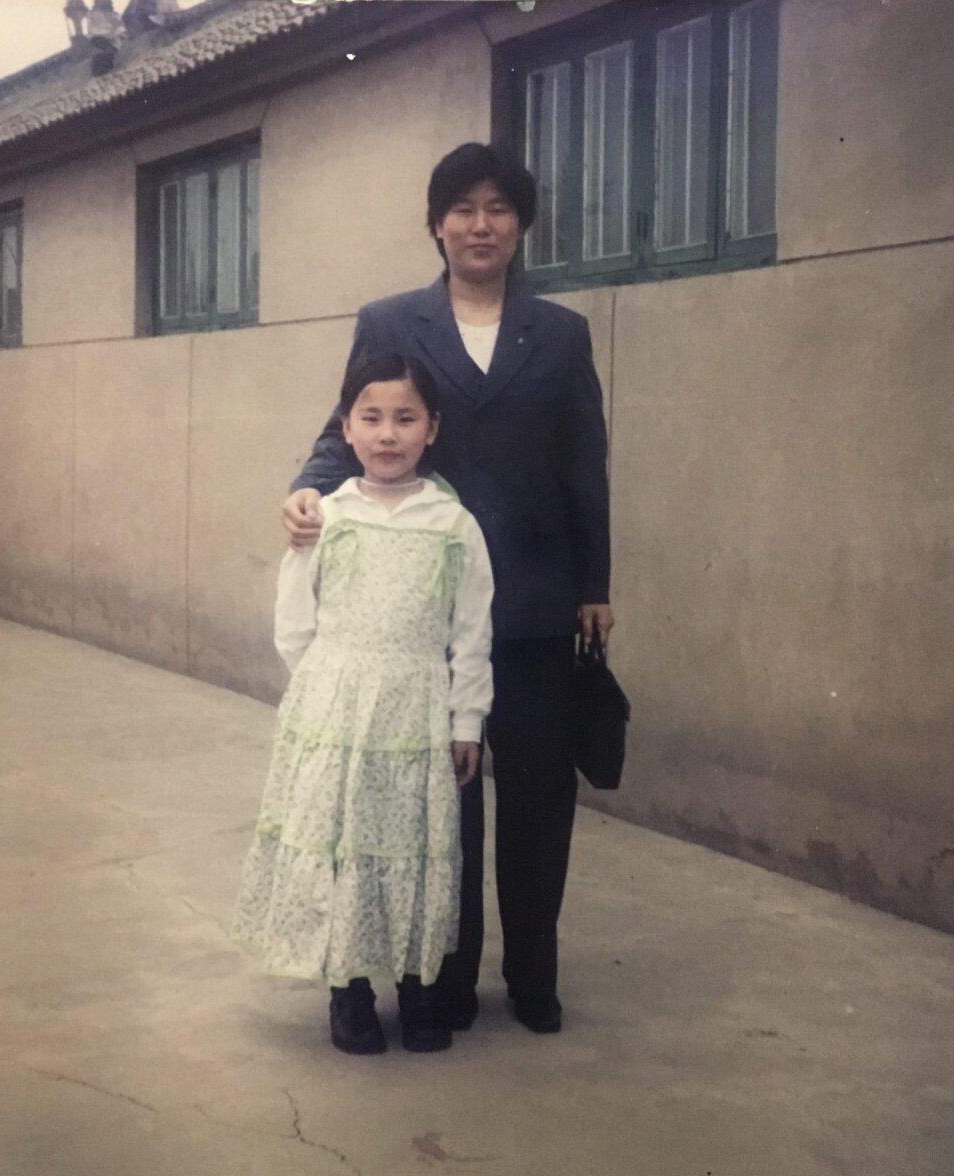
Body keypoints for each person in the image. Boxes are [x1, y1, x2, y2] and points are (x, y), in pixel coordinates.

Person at [283, 143, 614, 1034]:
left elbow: (587, 463)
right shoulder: (392, 321)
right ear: (436, 224)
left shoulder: (561, 332)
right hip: (428, 611)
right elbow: (341, 425)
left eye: (499, 208)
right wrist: (308, 489)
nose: (480, 224)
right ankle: (447, 978)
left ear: (521, 226)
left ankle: (535, 978)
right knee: (445, 810)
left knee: (541, 804)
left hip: (539, 607)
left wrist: (594, 581)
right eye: (462, 208)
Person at [235, 351, 494, 1055]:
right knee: (346, 848)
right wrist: (321, 688)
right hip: (338, 711)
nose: (387, 435)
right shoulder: (329, 518)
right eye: (371, 418)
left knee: (410, 848)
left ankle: (417, 990)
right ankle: (348, 991)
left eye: (405, 418)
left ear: (432, 428)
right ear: (345, 429)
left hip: (416, 712)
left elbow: (472, 633)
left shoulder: (452, 525)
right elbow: (295, 616)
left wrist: (465, 720)